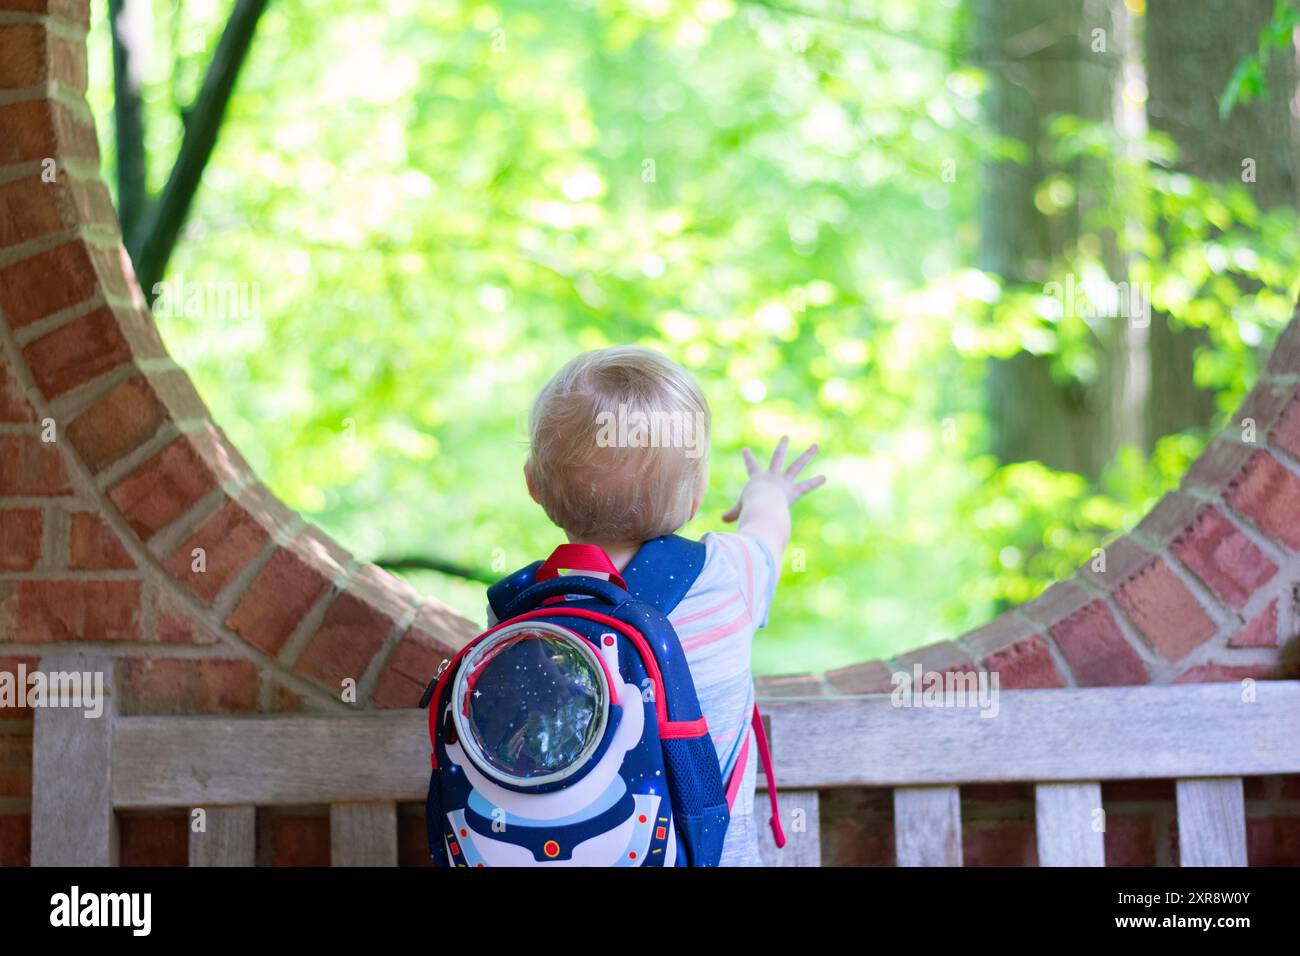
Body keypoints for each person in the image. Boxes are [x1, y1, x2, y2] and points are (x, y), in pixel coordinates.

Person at [512, 345, 824, 865]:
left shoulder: (519, 612)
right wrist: (768, 490)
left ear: (534, 487)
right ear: (696, 497)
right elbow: (767, 529)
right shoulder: (727, 576)